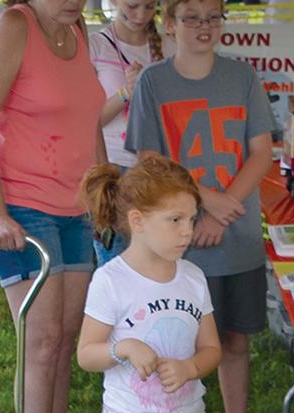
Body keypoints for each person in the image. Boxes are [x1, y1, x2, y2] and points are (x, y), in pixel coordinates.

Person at [125, 0, 276, 413]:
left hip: (236, 233)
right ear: (169, 24)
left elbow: (261, 152)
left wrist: (221, 212)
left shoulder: (243, 77)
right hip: (176, 240)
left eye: (213, 16)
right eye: (191, 17)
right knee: (175, 337)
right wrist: (204, 204)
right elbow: (150, 160)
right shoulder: (153, 81)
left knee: (232, 339)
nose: (203, 26)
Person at [0, 0, 105, 413]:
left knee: (64, 345)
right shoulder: (13, 27)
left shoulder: (78, 29)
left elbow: (89, 124)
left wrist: (103, 195)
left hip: (77, 209)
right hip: (22, 207)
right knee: (41, 345)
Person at [77, 155, 223, 413]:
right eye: (175, 220)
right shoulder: (111, 281)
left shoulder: (193, 277)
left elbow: (212, 349)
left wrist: (190, 369)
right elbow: (86, 355)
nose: (187, 231)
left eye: (192, 219)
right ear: (137, 221)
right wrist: (125, 348)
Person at [89, 0, 174, 265]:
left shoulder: (170, 46)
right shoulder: (95, 46)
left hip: (156, 168)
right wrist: (125, 93)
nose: (140, 15)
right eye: (133, 5)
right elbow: (88, 121)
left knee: (157, 259)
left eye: (149, 7)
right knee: (115, 262)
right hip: (112, 167)